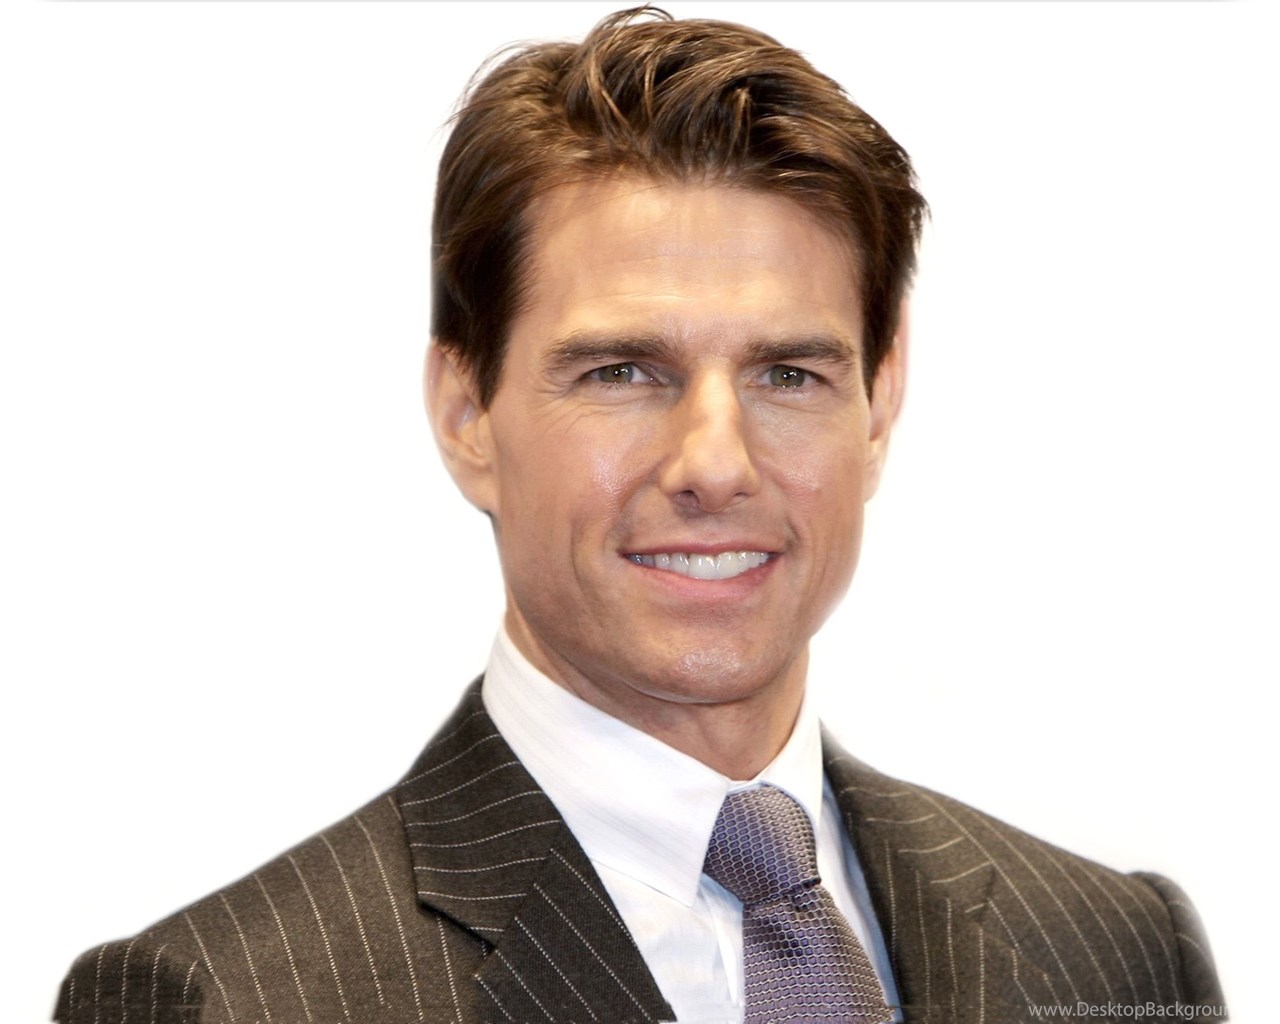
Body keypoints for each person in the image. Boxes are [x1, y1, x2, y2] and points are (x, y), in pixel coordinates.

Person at [54, 8, 1226, 1023]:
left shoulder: (1113, 951)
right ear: (465, 412)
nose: (713, 463)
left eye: (787, 374)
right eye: (621, 371)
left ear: (878, 403)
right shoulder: (224, 996)